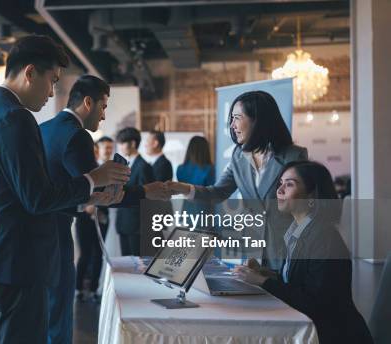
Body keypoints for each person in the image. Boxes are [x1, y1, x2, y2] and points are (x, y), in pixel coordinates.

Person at [0, 35, 132, 343]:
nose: (52, 92)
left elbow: (17, 193)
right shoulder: (16, 118)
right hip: (12, 265)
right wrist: (95, 177)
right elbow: (36, 198)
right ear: (30, 73)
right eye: (51, 81)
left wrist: (86, 197)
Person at [39, 75, 170, 343]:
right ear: (88, 102)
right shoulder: (77, 136)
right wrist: (146, 191)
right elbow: (97, 193)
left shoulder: (44, 128)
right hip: (57, 231)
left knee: (45, 311)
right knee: (59, 314)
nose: (103, 115)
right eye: (103, 106)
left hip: (37, 230)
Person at [234, 161, 373, 344]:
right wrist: (264, 273)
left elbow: (315, 303)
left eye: (289, 184)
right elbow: (299, 281)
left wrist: (263, 282)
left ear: (311, 196)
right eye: (280, 183)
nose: (280, 190)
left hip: (333, 336)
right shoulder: (296, 231)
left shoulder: (324, 238)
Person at [167, 91, 308, 270]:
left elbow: (305, 210)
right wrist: (183, 188)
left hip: (287, 251)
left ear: (258, 119)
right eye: (231, 118)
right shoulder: (238, 155)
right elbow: (218, 192)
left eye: (237, 118)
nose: (232, 125)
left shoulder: (293, 156)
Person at [115, 127, 155, 256]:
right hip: (124, 223)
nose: (119, 147)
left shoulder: (143, 166)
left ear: (132, 143)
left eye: (122, 143)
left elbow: (146, 197)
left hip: (137, 226)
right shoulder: (125, 164)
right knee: (126, 265)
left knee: (137, 266)